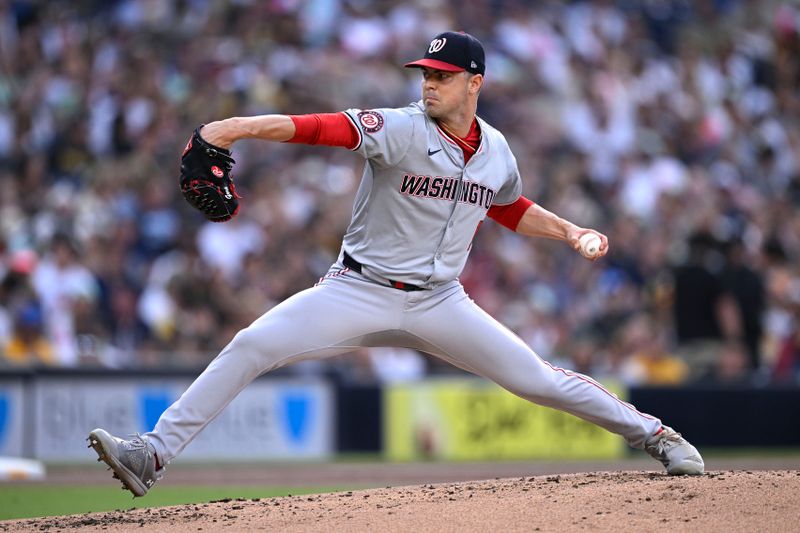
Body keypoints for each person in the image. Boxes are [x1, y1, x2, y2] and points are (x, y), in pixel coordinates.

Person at [88, 31, 704, 497]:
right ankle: (151, 454)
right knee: (252, 344)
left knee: (539, 380)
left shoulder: (496, 150)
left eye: (441, 75)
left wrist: (569, 231)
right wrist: (233, 127)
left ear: (474, 83)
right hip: (357, 289)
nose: (428, 84)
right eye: (424, 74)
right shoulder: (402, 128)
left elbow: (508, 207)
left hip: (441, 300)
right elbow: (317, 129)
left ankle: (657, 435)